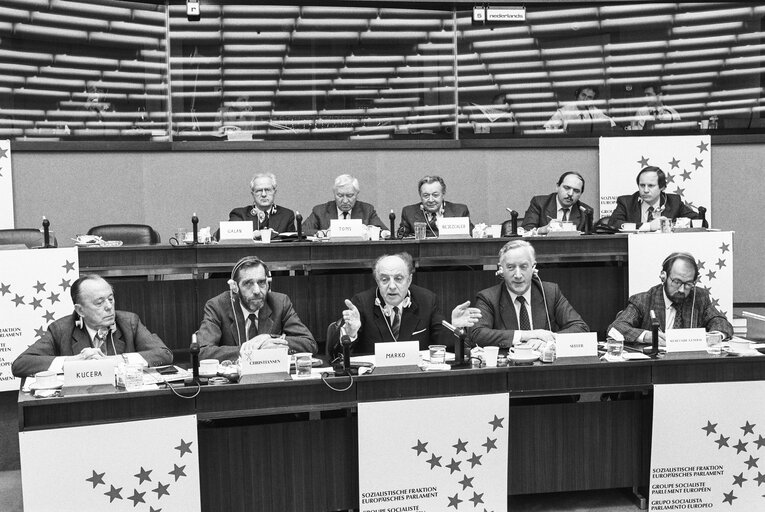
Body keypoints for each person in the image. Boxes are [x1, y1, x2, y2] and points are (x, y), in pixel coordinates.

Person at [12, 275, 172, 378]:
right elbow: (21, 364)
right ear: (80, 310)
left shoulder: (129, 322)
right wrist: (73, 362)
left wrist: (116, 361)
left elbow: (164, 355)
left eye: (111, 299)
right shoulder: (61, 329)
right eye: (99, 302)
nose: (109, 307)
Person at [333, 252, 482, 355]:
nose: (391, 286)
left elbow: (446, 348)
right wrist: (350, 334)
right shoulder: (362, 303)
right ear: (377, 281)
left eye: (398, 278)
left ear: (409, 280)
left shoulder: (426, 300)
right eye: (384, 279)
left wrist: (455, 329)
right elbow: (339, 358)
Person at [470, 240, 589, 349]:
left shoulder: (550, 292)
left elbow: (580, 328)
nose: (518, 275)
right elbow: (477, 334)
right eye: (511, 267)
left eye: (523, 267)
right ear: (501, 269)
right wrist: (529, 335)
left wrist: (549, 342)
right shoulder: (488, 297)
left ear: (533, 268)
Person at [196, 256, 316, 361]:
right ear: (235, 287)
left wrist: (270, 339)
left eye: (262, 282)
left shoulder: (280, 303)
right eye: (248, 283)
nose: (257, 291)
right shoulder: (217, 306)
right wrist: (249, 351)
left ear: (269, 283)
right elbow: (202, 352)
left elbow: (309, 344)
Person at [608, 252, 733, 345]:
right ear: (663, 276)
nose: (682, 290)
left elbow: (721, 323)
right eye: (677, 282)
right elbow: (616, 328)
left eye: (689, 284)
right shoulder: (643, 300)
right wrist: (647, 336)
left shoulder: (700, 297)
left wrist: (714, 336)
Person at [609, 166, 697, 231]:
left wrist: (673, 225)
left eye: (651, 186)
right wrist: (648, 226)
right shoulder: (626, 202)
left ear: (662, 187)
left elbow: (699, 222)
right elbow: (613, 224)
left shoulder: (674, 202)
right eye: (642, 185)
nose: (645, 190)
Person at [302, 174, 390, 238]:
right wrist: (320, 233)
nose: (344, 201)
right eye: (340, 196)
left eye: (349, 196)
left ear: (357, 194)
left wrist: (368, 230)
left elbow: (385, 232)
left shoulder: (367, 210)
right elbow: (302, 231)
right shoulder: (320, 211)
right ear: (334, 194)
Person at [397, 175, 472, 238]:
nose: (430, 200)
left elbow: (473, 236)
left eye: (435, 195)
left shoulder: (460, 211)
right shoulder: (409, 212)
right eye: (426, 196)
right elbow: (402, 238)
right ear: (420, 195)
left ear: (443, 194)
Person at [521, 172, 594, 234]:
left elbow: (588, 240)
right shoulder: (539, 203)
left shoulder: (586, 212)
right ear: (557, 187)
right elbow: (526, 231)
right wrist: (543, 229)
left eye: (576, 191)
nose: (570, 194)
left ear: (581, 194)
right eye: (566, 188)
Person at [228, 172, 296, 236]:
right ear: (253, 194)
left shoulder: (287, 215)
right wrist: (252, 235)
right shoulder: (239, 214)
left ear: (274, 192)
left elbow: (293, 244)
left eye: (268, 190)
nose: (263, 194)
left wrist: (272, 235)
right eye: (259, 191)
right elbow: (224, 236)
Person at [543, 86, 616, 133]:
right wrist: (563, 132)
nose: (585, 99)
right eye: (583, 95)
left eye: (589, 97)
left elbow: (611, 124)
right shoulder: (565, 111)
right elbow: (548, 129)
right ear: (577, 95)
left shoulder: (595, 111)